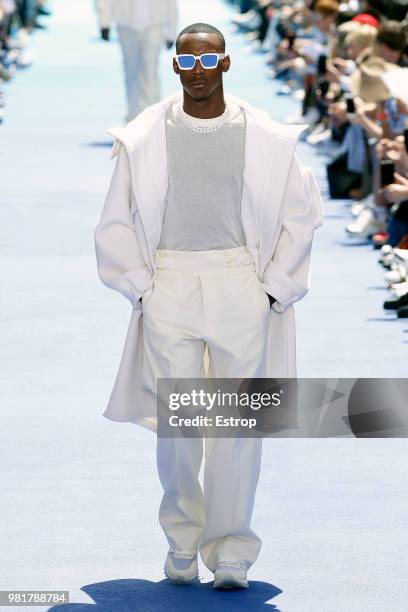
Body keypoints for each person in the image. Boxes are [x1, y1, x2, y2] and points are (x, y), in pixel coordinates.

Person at [94, 22, 324, 589]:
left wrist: (274, 286)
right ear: (175, 67)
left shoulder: (265, 135)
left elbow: (301, 213)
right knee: (180, 426)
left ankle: (232, 551)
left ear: (225, 64)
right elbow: (116, 217)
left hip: (240, 283)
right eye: (187, 62)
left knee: (236, 425)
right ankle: (182, 541)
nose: (198, 72)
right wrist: (140, 284)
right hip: (168, 281)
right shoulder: (144, 135)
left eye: (208, 61)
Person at [95, 0, 178, 122]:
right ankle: (133, 118)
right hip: (126, 22)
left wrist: (172, 30)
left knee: (150, 70)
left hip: (155, 21)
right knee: (131, 72)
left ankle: (154, 119)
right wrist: (104, 21)